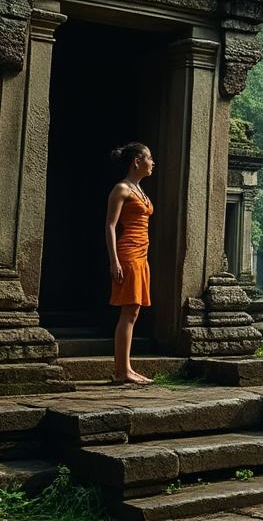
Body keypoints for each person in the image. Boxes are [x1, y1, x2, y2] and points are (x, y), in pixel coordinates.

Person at [105, 142, 155, 385]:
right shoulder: (122, 189)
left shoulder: (139, 189)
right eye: (149, 158)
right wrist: (114, 260)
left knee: (133, 311)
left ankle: (125, 368)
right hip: (128, 253)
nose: (152, 162)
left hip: (142, 254)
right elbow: (110, 226)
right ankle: (121, 371)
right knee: (129, 311)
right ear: (137, 161)